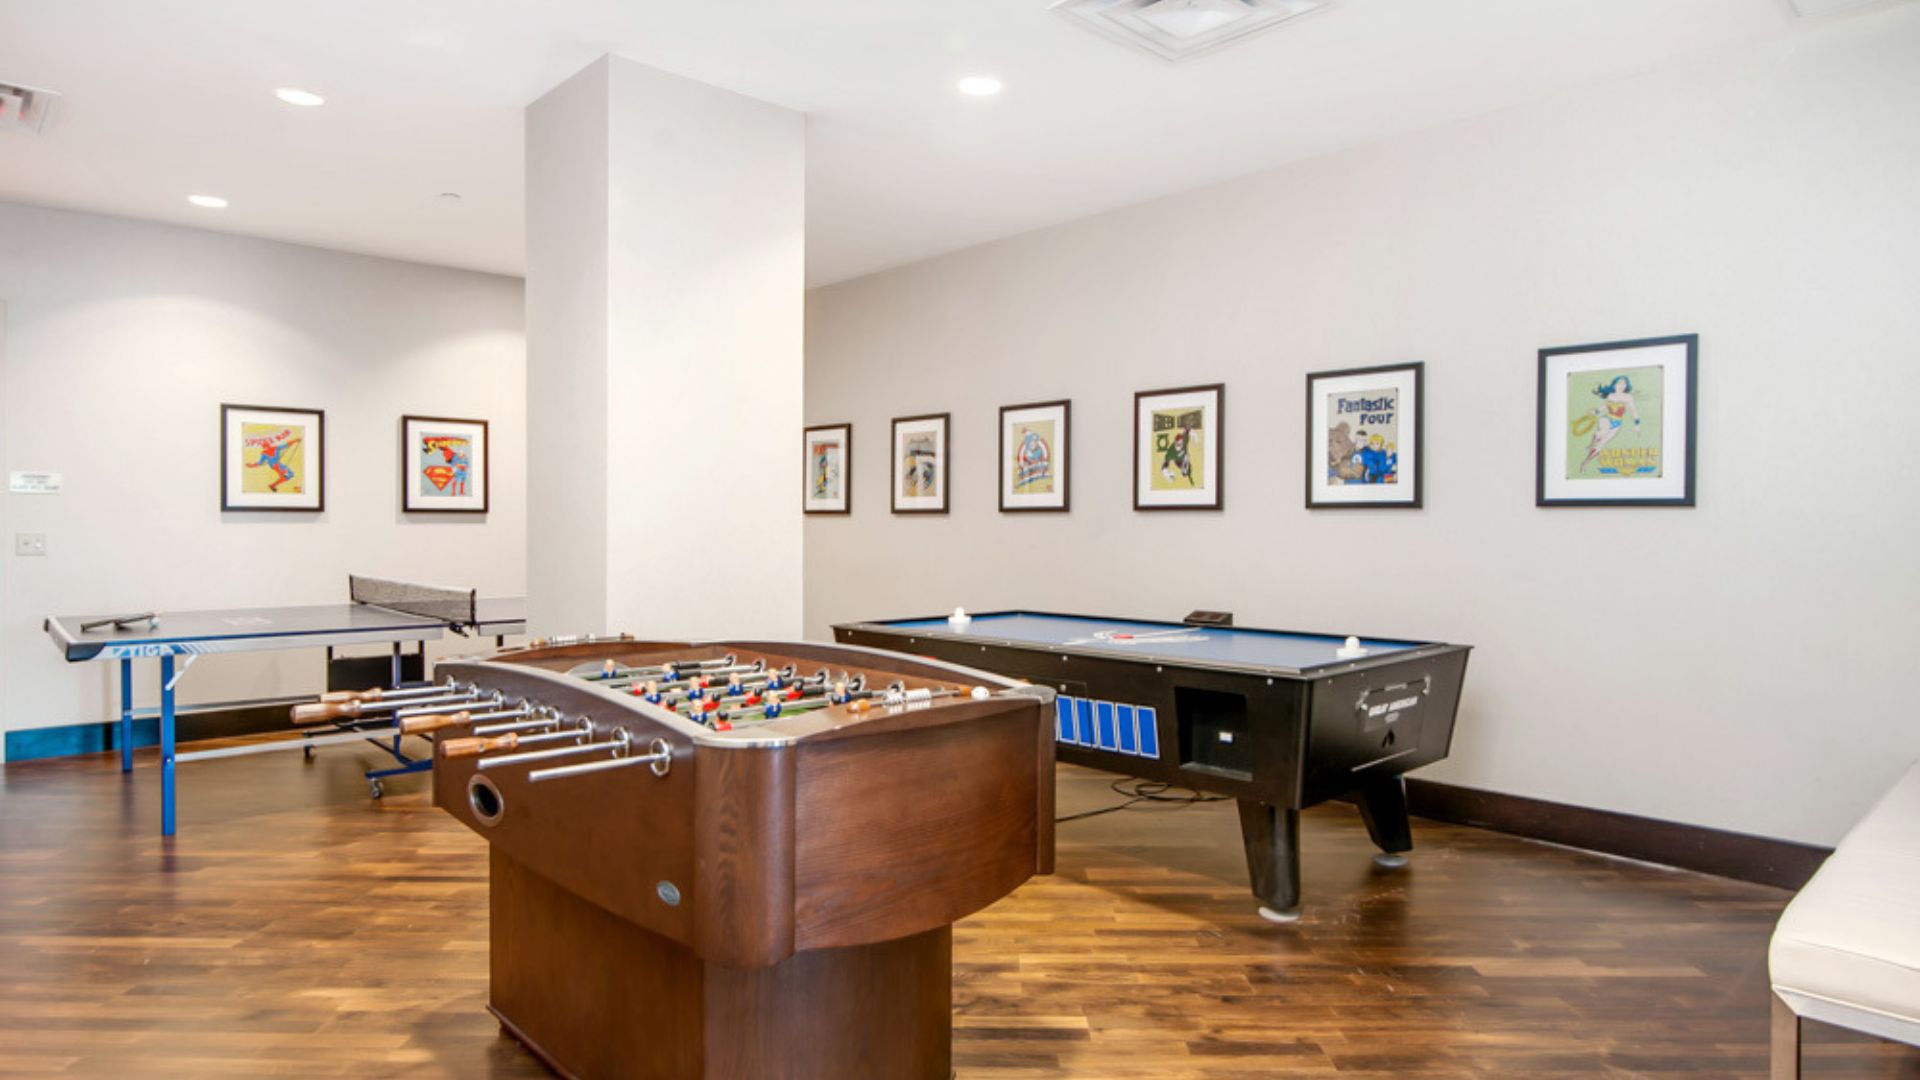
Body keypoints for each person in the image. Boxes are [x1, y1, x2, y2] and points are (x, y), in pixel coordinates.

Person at [1579, 375, 1641, 474]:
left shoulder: (1628, 397)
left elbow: (1633, 411)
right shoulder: (1610, 396)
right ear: (1614, 385)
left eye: (1624, 383)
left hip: (1617, 424)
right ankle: (1592, 443)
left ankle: (1585, 463)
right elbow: (1605, 406)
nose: (1621, 385)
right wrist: (1596, 411)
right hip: (1607, 419)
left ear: (1626, 386)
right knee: (1601, 432)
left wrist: (1637, 425)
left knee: (1601, 445)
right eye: (1619, 383)